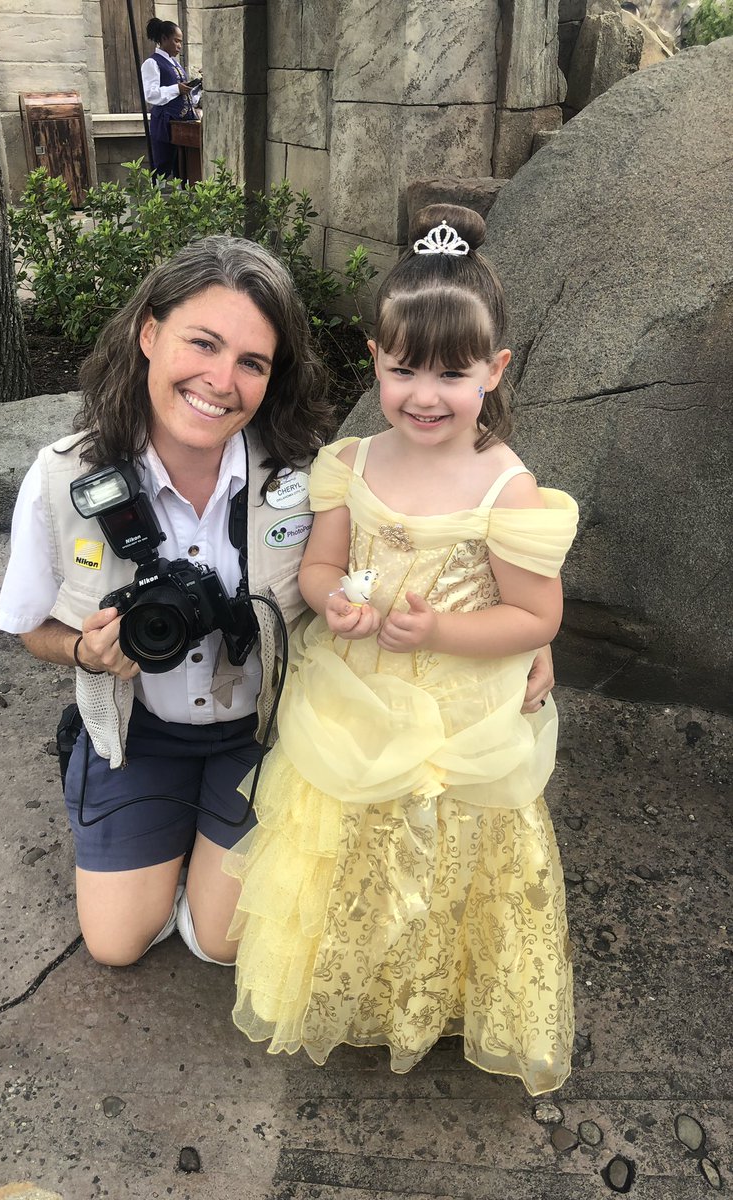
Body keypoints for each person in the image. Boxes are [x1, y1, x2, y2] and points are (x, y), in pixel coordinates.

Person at [225, 204, 579, 1096]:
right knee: (349, 841)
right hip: (358, 685)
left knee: (445, 847)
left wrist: (443, 630)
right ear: (376, 360)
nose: (425, 395)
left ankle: (433, 993)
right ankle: (358, 984)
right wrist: (330, 606)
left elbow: (536, 616)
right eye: (403, 368)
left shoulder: (509, 488)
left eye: (452, 374)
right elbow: (321, 565)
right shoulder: (352, 462)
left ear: (493, 371)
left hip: (458, 699)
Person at [0, 236, 335, 968]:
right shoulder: (63, 480)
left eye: (252, 362)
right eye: (202, 343)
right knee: (115, 947)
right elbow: (33, 627)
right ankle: (152, 834)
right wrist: (84, 650)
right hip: (138, 733)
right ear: (150, 334)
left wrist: (523, 649)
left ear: (273, 379)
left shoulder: (307, 482)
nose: (221, 380)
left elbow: (409, 557)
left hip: (263, 734)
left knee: (222, 944)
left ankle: (196, 871)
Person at [140, 17, 199, 181]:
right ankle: (157, 202)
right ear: (164, 39)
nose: (179, 45)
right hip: (165, 123)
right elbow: (150, 94)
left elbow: (183, 95)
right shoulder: (152, 63)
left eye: (181, 42)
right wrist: (177, 88)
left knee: (183, 167)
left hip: (182, 124)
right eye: (176, 41)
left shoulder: (175, 64)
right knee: (162, 167)